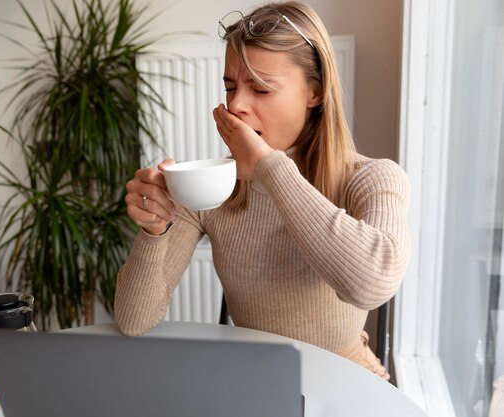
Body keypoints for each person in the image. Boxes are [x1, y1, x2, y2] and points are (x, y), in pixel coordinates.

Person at [114, 1, 410, 381]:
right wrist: (154, 231)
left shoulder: (372, 178)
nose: (235, 105)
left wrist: (270, 169)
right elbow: (134, 320)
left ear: (315, 92)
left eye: (261, 88)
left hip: (346, 374)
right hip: (254, 378)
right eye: (231, 86)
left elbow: (373, 285)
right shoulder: (211, 191)